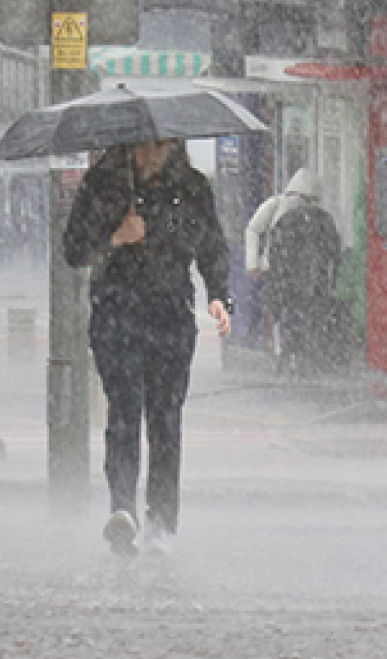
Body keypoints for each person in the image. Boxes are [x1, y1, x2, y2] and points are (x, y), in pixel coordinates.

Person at [65, 140, 231, 555]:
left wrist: (218, 295)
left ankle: (162, 520)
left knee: (165, 418)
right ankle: (123, 508)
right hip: (116, 311)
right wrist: (116, 238)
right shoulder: (104, 183)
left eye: (164, 146)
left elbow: (211, 244)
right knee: (124, 411)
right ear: (129, 146)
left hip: (170, 314)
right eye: (147, 146)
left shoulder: (190, 187)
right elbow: (73, 249)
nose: (154, 155)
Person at [265, 187, 343, 375]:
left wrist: (278, 278)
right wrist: (330, 279)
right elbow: (334, 252)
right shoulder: (324, 221)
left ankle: (289, 356)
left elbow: (274, 253)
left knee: (292, 318)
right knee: (313, 318)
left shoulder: (285, 221)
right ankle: (310, 358)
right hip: (316, 281)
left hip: (292, 281)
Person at [243, 168, 322, 279]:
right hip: (294, 271)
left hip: (273, 268)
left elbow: (253, 229)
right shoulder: (277, 204)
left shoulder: (276, 203)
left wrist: (253, 264)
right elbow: (253, 229)